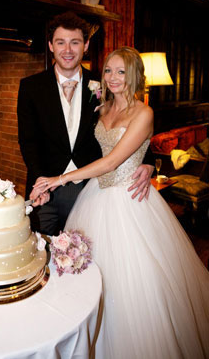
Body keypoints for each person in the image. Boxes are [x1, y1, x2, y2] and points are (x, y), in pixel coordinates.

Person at [31, 47, 209, 358]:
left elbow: (113, 161)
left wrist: (58, 180)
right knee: (85, 272)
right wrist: (47, 181)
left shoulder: (144, 113)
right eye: (109, 71)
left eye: (121, 72)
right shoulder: (100, 109)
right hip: (96, 195)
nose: (113, 78)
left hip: (129, 200)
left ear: (135, 76)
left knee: (133, 283)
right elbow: (85, 153)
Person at [17, 11, 153, 235]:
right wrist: (42, 182)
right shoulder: (31, 88)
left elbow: (127, 120)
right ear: (51, 45)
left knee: (85, 255)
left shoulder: (105, 83)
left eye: (75, 42)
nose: (68, 50)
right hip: (46, 190)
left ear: (86, 45)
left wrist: (148, 162)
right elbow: (28, 141)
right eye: (61, 42)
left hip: (90, 189)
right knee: (43, 250)